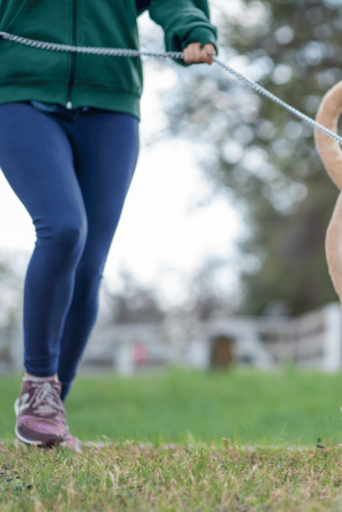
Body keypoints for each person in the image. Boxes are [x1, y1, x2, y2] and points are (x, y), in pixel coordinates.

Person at [0, 0, 218, 451]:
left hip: (111, 102)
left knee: (87, 269)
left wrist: (190, 27)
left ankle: (52, 410)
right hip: (18, 90)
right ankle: (39, 388)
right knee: (62, 229)